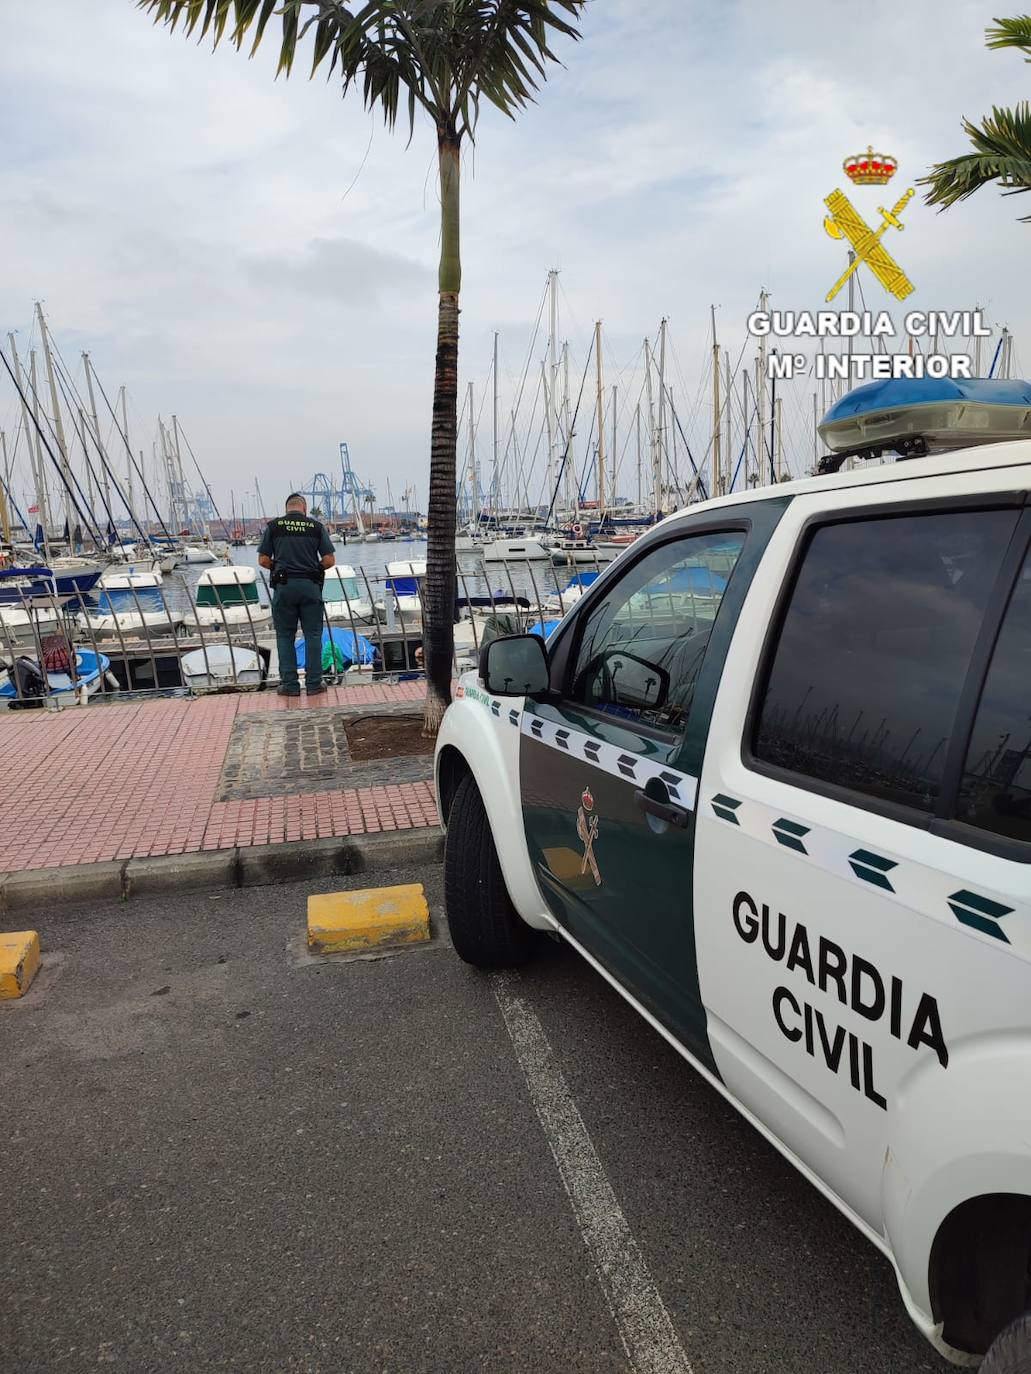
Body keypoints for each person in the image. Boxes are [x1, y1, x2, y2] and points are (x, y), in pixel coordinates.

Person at [258, 494, 336, 697]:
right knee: (313, 635)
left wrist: (279, 567)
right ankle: (314, 683)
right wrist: (314, 568)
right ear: (304, 507)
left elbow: (263, 560)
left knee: (285, 636)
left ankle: (290, 685)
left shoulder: (274, 527)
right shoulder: (315, 527)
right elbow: (329, 560)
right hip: (310, 586)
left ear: (287, 509)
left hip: (284, 588)